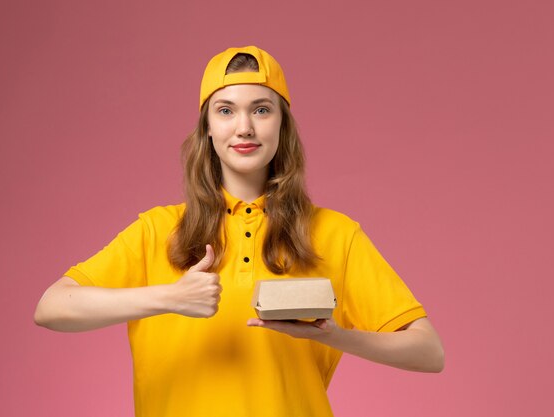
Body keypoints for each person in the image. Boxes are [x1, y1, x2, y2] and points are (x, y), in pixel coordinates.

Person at [34, 45, 444, 417]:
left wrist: (333, 335)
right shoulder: (157, 230)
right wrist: (169, 297)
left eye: (262, 110)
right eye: (226, 110)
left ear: (282, 125)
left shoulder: (335, 233)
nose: (244, 127)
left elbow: (428, 351)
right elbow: (52, 307)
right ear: (207, 129)